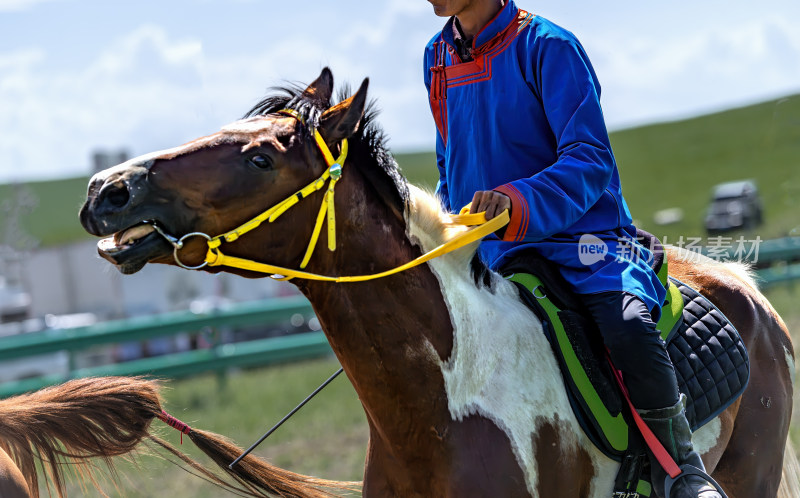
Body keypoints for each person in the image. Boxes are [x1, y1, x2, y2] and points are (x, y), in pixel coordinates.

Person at [423, 1, 720, 497]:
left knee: (625, 324)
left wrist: (516, 201)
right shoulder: (436, 56)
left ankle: (681, 468)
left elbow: (589, 158)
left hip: (581, 244)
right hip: (488, 254)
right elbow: (450, 159)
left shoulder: (550, 46)